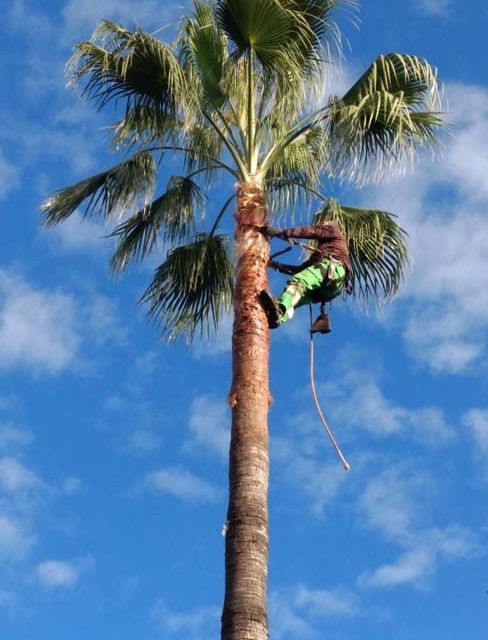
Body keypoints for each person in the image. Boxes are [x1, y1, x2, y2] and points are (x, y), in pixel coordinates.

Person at [258, 220, 351, 332]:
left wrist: (282, 232)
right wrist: (276, 265)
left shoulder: (333, 231)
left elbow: (311, 231)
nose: (321, 226)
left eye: (323, 224)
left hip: (333, 269)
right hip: (327, 290)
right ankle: (277, 319)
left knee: (299, 281)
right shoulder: (320, 255)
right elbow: (300, 270)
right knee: (295, 300)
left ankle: (280, 308)